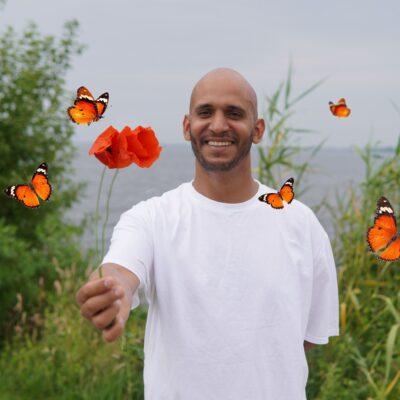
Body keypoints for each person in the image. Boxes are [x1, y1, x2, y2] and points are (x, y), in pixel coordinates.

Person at [76, 67, 339, 400]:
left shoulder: (302, 224)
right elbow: (120, 270)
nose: (218, 125)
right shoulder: (151, 219)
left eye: (234, 113)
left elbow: (306, 336)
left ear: (258, 129)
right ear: (187, 127)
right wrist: (113, 292)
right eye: (205, 112)